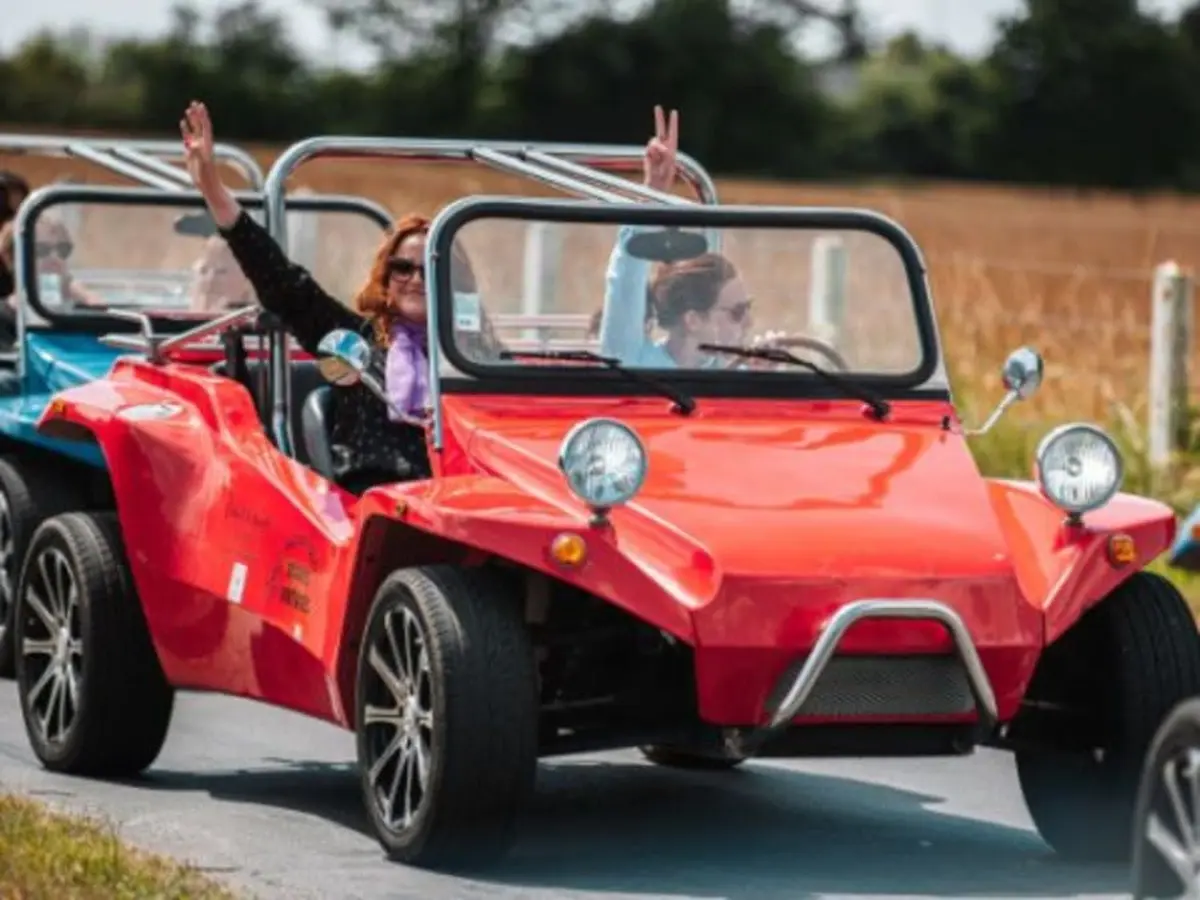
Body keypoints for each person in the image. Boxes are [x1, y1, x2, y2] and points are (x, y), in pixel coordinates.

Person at [180, 100, 488, 491]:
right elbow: (285, 286)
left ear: (453, 281)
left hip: (460, 497)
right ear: (386, 277)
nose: (414, 279)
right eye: (402, 267)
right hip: (373, 503)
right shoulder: (354, 343)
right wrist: (212, 187)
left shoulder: (476, 356)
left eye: (429, 269)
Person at [598, 106, 753, 369]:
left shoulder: (734, 372)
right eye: (737, 313)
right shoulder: (636, 363)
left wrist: (766, 375)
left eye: (748, 309)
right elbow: (626, 277)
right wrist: (652, 194)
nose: (749, 323)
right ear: (693, 320)